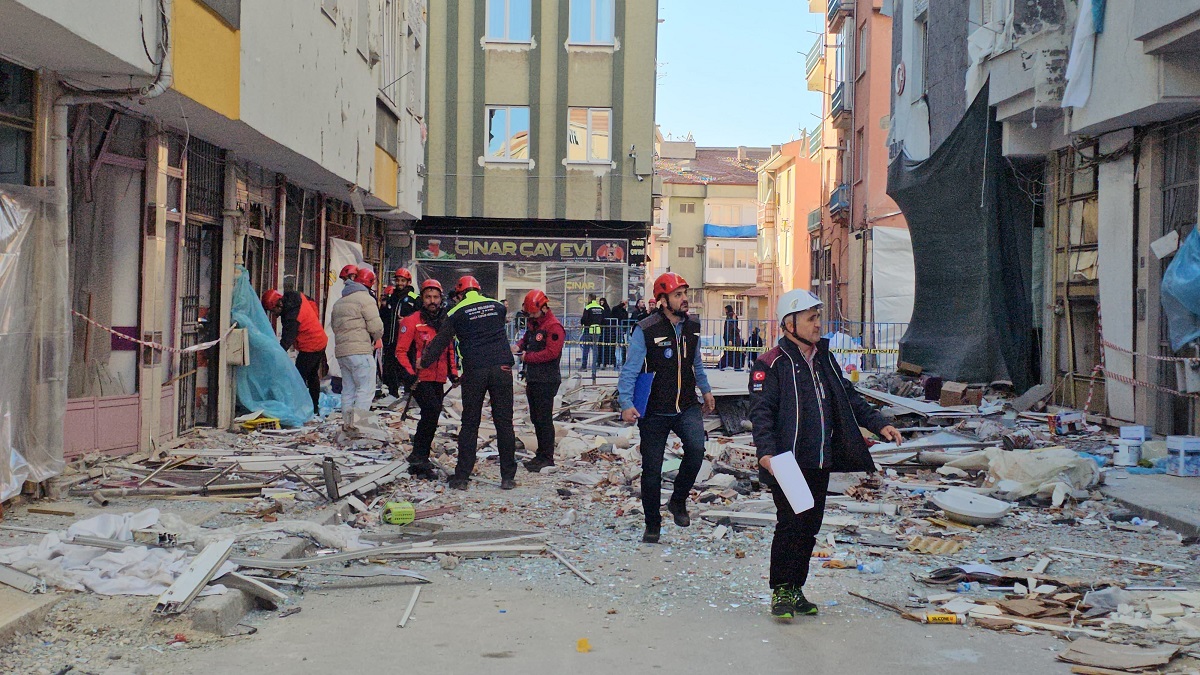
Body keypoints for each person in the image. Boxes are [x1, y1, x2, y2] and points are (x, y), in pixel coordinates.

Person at [748, 289, 902, 620]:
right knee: (791, 523)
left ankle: (797, 588)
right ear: (790, 323)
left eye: (818, 317)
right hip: (786, 461)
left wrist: (879, 424)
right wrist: (767, 455)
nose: (819, 324)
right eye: (811, 318)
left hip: (820, 458)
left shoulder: (825, 359)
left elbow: (850, 399)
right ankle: (781, 591)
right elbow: (761, 414)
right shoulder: (771, 363)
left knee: (810, 525)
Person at [617, 273, 715, 544]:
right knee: (652, 470)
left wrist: (706, 391)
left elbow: (697, 362)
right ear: (663, 300)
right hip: (654, 410)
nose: (684, 299)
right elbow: (630, 369)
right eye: (678, 295)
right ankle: (652, 525)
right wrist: (626, 403)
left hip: (686, 405)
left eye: (685, 293)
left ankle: (678, 501)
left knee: (696, 450)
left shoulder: (692, 325)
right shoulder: (646, 329)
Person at [421, 276, 518, 490]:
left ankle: (462, 477)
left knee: (470, 423)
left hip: (475, 370)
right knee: (504, 422)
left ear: (459, 294)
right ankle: (508, 477)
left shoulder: (455, 313)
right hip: (502, 368)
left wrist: (423, 363)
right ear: (479, 290)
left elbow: (440, 342)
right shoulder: (497, 307)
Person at [396, 279, 457, 481]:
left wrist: (453, 373)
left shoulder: (445, 321)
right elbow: (401, 352)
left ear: (441, 298)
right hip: (420, 378)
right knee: (431, 411)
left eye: (436, 297)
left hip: (438, 377)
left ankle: (419, 456)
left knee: (431, 416)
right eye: (428, 297)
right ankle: (419, 457)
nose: (432, 301)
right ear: (422, 298)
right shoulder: (411, 321)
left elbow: (449, 349)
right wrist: (409, 374)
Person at [515, 289, 565, 473]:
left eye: (534, 312)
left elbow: (552, 353)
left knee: (544, 419)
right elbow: (526, 339)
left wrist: (528, 357)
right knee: (536, 418)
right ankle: (541, 453)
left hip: (547, 379)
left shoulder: (553, 327)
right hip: (534, 378)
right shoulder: (534, 324)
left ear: (544, 308)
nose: (532, 316)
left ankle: (547, 456)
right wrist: (519, 347)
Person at [330, 267, 384, 431]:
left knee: (348, 389)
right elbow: (376, 326)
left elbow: (334, 326)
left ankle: (347, 424)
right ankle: (358, 426)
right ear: (369, 283)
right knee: (365, 388)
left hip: (342, 352)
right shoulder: (365, 299)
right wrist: (376, 337)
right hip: (360, 351)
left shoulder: (340, 302)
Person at [261, 288, 327, 416]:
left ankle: (301, 409)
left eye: (273, 310)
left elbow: (287, 339)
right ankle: (314, 407)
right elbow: (312, 303)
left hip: (310, 345)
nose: (275, 314)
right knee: (312, 376)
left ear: (279, 304)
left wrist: (276, 356)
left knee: (298, 378)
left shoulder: (291, 318)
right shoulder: (296, 296)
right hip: (320, 339)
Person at [380, 268, 420, 398]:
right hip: (391, 340)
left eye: (403, 280)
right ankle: (393, 393)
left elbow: (420, 317)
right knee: (390, 368)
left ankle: (409, 393)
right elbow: (384, 317)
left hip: (407, 342)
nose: (400, 283)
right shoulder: (392, 298)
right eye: (397, 280)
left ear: (408, 282)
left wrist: (407, 321)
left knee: (406, 367)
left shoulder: (414, 298)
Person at [580, 294, 605, 381]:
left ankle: (584, 366)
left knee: (586, 348)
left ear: (590, 298)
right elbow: (603, 320)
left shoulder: (588, 307)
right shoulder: (601, 308)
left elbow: (584, 319)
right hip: (597, 330)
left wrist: (585, 324)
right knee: (595, 349)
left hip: (588, 330)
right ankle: (595, 366)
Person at [719, 305, 741, 371]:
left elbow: (730, 328)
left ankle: (722, 365)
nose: (724, 311)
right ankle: (736, 366)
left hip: (731, 337)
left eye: (725, 309)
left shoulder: (730, 316)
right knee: (732, 352)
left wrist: (729, 339)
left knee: (730, 352)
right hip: (732, 337)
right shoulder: (731, 315)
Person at [610, 300, 629, 367]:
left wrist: (625, 330)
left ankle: (623, 361)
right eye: (623, 304)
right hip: (615, 330)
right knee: (613, 346)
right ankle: (614, 362)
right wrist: (623, 303)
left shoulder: (625, 312)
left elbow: (626, 321)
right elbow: (615, 309)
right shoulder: (616, 310)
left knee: (623, 346)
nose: (625, 305)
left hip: (621, 331)